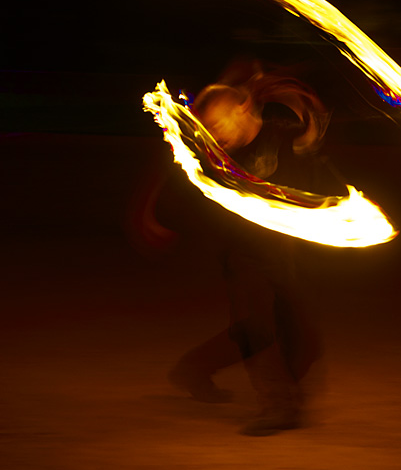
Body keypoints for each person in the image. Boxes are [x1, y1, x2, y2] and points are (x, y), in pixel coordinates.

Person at [138, 60, 345, 435]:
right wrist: (154, 215)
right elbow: (175, 176)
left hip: (286, 252)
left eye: (219, 125)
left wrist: (309, 128)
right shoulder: (215, 156)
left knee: (304, 340)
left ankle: (196, 368)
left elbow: (320, 166)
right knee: (258, 327)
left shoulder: (284, 135)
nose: (216, 136)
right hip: (242, 254)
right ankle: (278, 404)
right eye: (210, 130)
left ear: (244, 109)